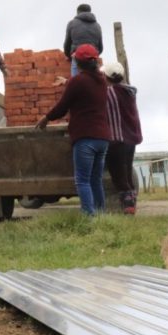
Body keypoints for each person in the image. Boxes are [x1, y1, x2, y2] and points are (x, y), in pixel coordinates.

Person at [36, 45, 111, 215]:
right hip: (103, 138)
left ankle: (89, 218)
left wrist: (46, 118)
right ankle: (101, 215)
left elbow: (62, 107)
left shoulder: (78, 81)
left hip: (86, 137)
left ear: (78, 61)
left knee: (82, 180)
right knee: (95, 180)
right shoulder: (102, 81)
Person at [102, 62, 142, 215]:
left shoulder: (109, 92)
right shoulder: (129, 91)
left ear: (106, 77)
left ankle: (128, 205)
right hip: (131, 137)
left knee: (118, 174)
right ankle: (131, 201)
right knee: (126, 170)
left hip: (116, 138)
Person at [63, 4, 103, 76]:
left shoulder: (72, 23)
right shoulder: (97, 25)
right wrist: (92, 55)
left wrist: (69, 56)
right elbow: (101, 47)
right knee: (94, 82)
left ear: (78, 12)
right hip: (93, 59)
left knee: (76, 82)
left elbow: (67, 44)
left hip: (77, 56)